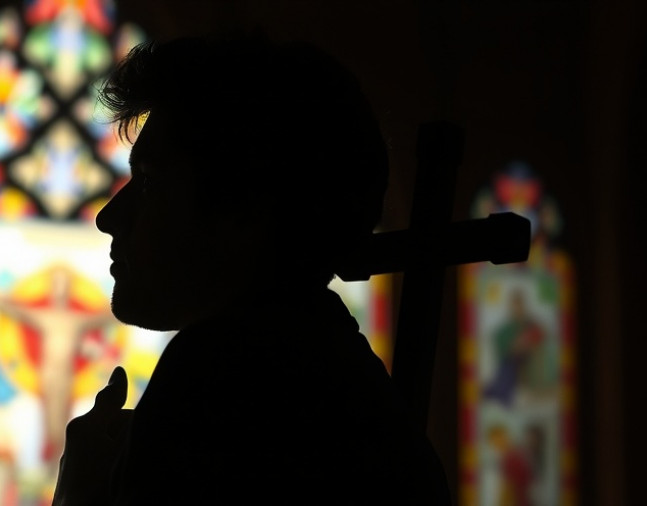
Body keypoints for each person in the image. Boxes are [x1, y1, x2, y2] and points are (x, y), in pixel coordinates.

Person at [52, 32, 451, 505]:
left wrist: (82, 493)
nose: (109, 217)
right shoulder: (352, 387)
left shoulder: (219, 380)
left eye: (151, 183)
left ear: (244, 211)